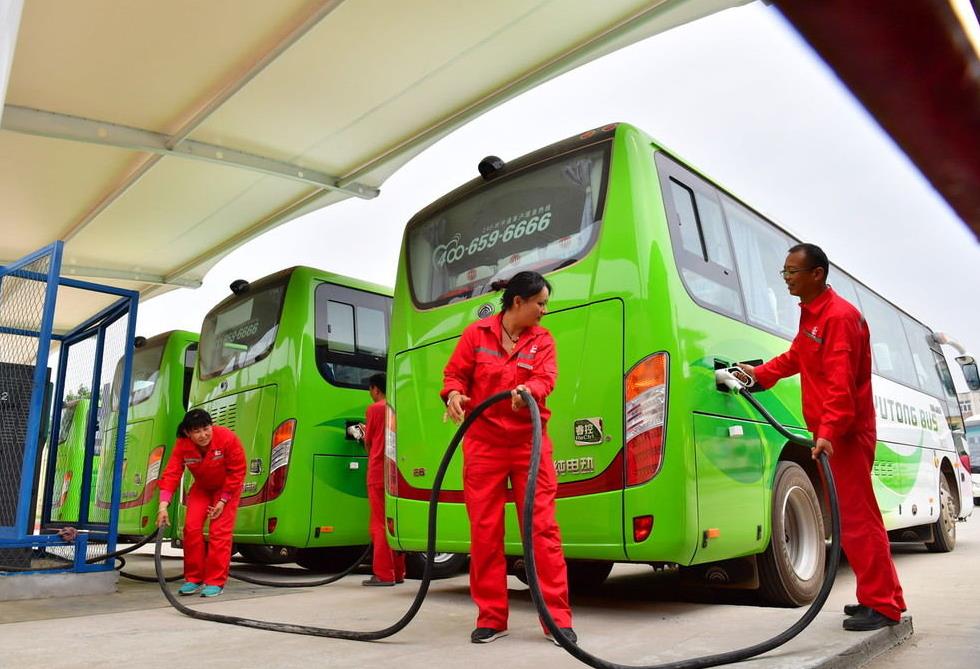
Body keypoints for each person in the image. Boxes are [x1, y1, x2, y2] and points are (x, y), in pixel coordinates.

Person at [737, 243, 906, 631]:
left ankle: (882, 606)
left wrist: (827, 433)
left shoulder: (840, 318)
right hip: (834, 431)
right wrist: (757, 375)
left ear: (817, 274)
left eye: (793, 272)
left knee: (858, 521)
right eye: (784, 272)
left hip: (845, 434)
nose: (787, 279)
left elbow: (841, 385)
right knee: (859, 519)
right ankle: (884, 597)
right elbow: (796, 357)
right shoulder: (813, 317)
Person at [442, 270, 574, 646]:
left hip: (528, 444)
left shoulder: (543, 339)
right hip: (483, 444)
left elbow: (547, 379)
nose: (544, 311)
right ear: (519, 302)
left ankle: (556, 619)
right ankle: (492, 617)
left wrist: (527, 389)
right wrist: (453, 395)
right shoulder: (476, 334)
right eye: (541, 304)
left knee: (542, 530)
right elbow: (455, 375)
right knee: (484, 532)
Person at [156, 409, 246, 598]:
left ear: (211, 426)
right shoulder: (183, 445)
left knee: (219, 532)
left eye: (206, 429)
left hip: (227, 488)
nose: (203, 435)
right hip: (202, 487)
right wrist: (163, 506)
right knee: (191, 528)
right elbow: (172, 472)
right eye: (197, 431)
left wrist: (223, 500)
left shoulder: (228, 438)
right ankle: (194, 578)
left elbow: (237, 471)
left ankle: (215, 581)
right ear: (188, 433)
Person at [361, 372, 406, 586]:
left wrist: (363, 433)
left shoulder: (374, 409)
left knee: (378, 523)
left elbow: (369, 443)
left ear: (375, 389)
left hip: (378, 470)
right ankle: (398, 572)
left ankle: (384, 574)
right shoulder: (397, 406)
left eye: (370, 390)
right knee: (393, 521)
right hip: (396, 471)